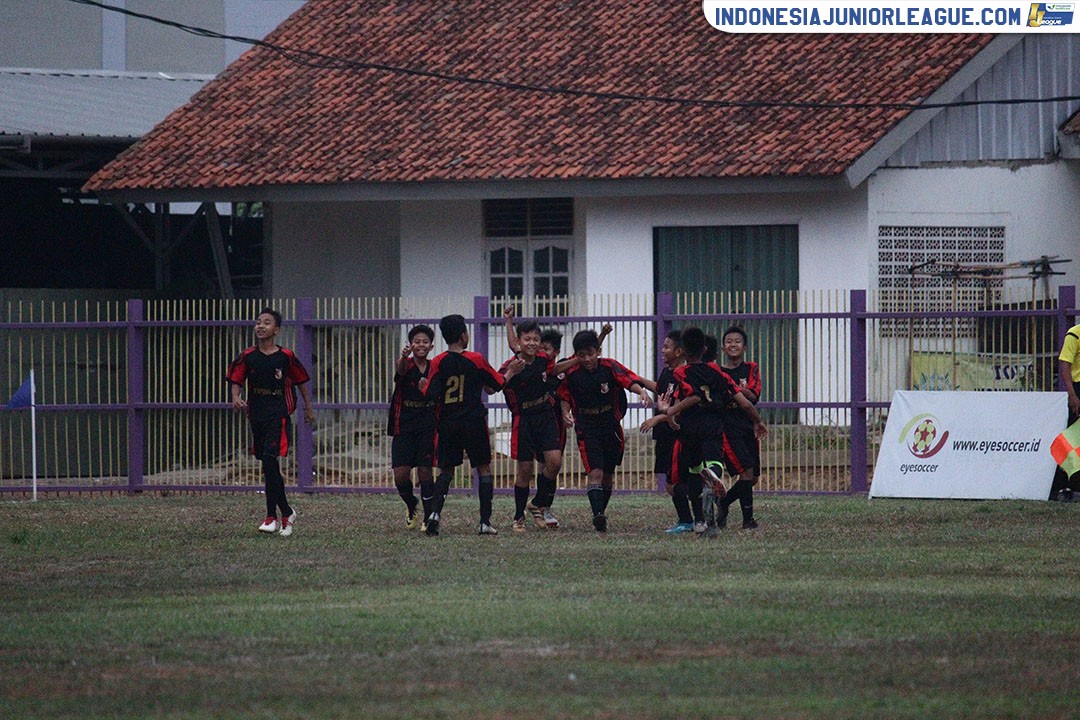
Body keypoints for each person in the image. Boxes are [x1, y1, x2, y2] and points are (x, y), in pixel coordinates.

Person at [643, 327, 766, 537]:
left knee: (693, 471)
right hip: (713, 424)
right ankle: (714, 478)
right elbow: (744, 402)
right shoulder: (718, 372)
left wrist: (668, 412)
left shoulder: (680, 373)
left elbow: (691, 398)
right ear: (705, 349)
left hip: (690, 426)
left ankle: (699, 519)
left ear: (682, 351)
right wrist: (758, 421)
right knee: (714, 461)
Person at [420, 313, 520, 536]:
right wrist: (511, 371)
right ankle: (485, 522)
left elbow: (430, 394)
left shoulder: (438, 361)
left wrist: (423, 385)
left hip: (448, 423)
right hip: (473, 421)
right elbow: (497, 383)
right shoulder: (475, 359)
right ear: (464, 335)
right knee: (483, 468)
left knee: (445, 469)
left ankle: (434, 514)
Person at [226, 307, 315, 537]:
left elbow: (302, 381)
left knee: (269, 459)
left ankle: (274, 516)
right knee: (267, 464)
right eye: (258, 322)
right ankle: (285, 510)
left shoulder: (285, 356)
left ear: (276, 330)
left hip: (279, 412)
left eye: (266, 323)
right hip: (256, 413)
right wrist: (236, 397)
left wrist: (308, 407)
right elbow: (236, 378)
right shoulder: (248, 355)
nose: (260, 326)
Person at [558, 329, 654, 532]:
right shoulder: (572, 373)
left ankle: (601, 510)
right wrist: (566, 413)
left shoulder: (609, 366)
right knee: (595, 473)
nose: (587, 359)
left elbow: (627, 380)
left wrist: (641, 392)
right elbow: (564, 396)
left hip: (610, 426)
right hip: (587, 427)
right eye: (581, 355)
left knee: (608, 475)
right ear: (576, 356)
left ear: (598, 351)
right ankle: (598, 515)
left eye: (590, 354)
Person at [500, 307, 569, 531]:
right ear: (519, 341)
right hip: (524, 419)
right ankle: (518, 516)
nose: (531, 343)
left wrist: (577, 360)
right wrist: (508, 320)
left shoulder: (542, 359)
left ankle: (538, 503)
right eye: (527, 339)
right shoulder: (513, 364)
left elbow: (555, 368)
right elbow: (495, 385)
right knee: (525, 470)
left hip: (545, 415)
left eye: (535, 339)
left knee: (554, 462)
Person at [641, 330, 694, 533]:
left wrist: (657, 418)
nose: (662, 350)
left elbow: (680, 407)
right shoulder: (667, 372)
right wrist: (636, 381)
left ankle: (689, 519)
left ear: (679, 351)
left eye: (666, 347)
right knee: (671, 483)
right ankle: (690, 516)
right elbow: (661, 390)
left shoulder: (684, 376)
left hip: (677, 435)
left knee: (675, 482)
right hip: (664, 434)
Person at [712, 325, 763, 530]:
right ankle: (748, 520)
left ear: (745, 347)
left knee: (753, 478)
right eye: (729, 342)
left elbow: (753, 395)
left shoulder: (751, 368)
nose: (733, 344)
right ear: (723, 348)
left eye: (737, 341)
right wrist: (741, 392)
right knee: (746, 473)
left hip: (747, 425)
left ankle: (723, 502)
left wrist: (736, 391)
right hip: (728, 427)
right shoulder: (717, 371)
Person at [386, 324, 436, 530]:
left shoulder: (435, 367)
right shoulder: (405, 363)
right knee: (401, 475)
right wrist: (404, 358)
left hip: (427, 424)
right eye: (417, 342)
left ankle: (428, 517)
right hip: (404, 424)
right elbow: (401, 371)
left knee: (425, 472)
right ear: (411, 345)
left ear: (431, 346)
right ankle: (411, 504)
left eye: (425, 342)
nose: (421, 345)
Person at [1051, 321, 1080, 501]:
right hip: (1078, 389)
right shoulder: (1075, 333)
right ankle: (1063, 486)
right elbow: (1064, 363)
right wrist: (1072, 395)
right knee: (1072, 441)